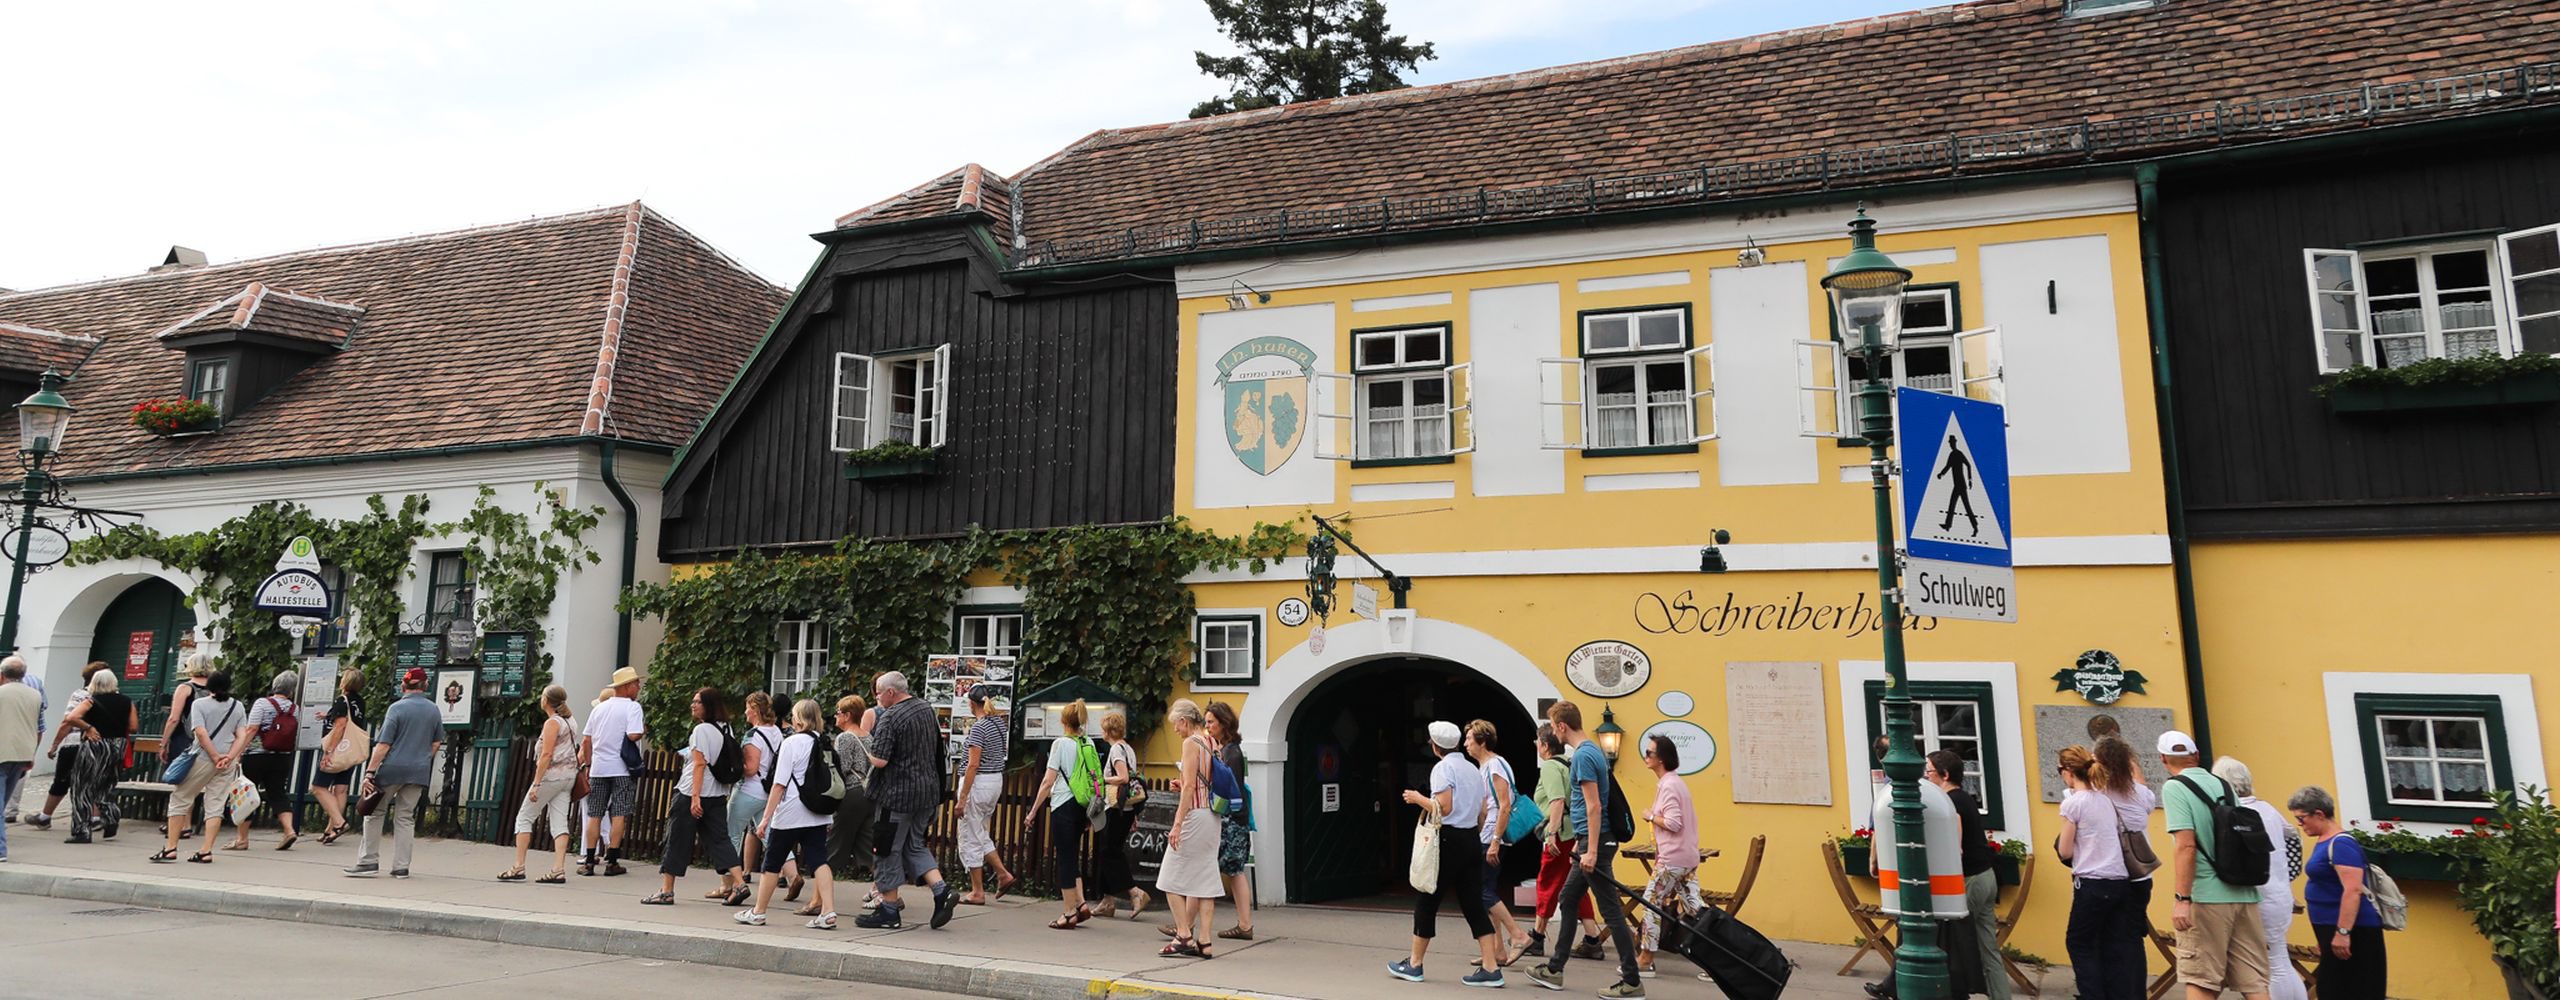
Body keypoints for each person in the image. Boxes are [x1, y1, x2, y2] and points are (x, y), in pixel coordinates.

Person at [1527, 699, 1644, 998]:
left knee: (1611, 911)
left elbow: (1593, 806)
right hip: (1590, 840)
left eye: (1555, 727)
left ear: (1562, 726)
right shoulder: (1592, 751)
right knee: (1568, 900)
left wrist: (1590, 850)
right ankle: (1554, 969)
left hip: (1595, 841)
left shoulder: (1582, 757)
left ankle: (1631, 980)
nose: (1555, 733)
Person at [1386, 719, 1504, 986]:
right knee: (1473, 903)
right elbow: (1483, 810)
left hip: (1449, 839)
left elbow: (1444, 807)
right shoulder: (1473, 769)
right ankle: (1490, 966)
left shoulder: (1442, 768)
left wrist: (1418, 799)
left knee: (1427, 899)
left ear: (1435, 746)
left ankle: (1414, 964)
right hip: (1471, 839)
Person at [2159, 730, 2270, 1000]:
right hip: (2242, 890)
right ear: (2195, 756)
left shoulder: (2174, 788)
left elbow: (2186, 845)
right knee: (2253, 981)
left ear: (2163, 759)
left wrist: (2182, 898)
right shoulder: (2225, 785)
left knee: (2201, 979)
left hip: (2207, 895)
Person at [857, 670, 958, 930]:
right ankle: (941, 890)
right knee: (914, 845)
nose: (877, 698)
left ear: (891, 692)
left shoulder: (890, 716)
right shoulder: (926, 709)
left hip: (897, 796)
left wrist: (863, 745)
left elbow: (880, 760)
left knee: (886, 850)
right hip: (927, 792)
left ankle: (889, 911)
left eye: (879, 693)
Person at [2056, 744, 2146, 1000]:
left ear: (2069, 772)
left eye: (2060, 770)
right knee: (2111, 943)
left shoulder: (2073, 804)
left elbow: (2064, 850)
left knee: (2079, 943)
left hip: (2092, 882)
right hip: (2119, 880)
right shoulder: (2105, 799)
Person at [739, 698, 838, 929]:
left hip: (791, 810)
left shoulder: (792, 742)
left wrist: (765, 818)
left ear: (798, 718)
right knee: (819, 860)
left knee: (772, 861)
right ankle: (828, 911)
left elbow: (779, 783)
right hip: (817, 810)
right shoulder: (824, 741)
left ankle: (759, 911)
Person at [646, 687, 747, 907]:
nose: (693, 705)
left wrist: (694, 798)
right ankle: (739, 883)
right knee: (720, 840)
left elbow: (700, 765)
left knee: (676, 839)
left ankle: (666, 891)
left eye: (697, 702)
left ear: (708, 705)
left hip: (692, 793)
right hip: (718, 794)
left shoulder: (700, 731)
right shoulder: (726, 728)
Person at [2216, 757, 2307, 1000]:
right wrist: (2285, 872)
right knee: (2281, 961)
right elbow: (2292, 836)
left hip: (2257, 898)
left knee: (2265, 970)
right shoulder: (2268, 809)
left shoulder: (2234, 815)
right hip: (2280, 893)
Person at [2287, 786, 2385, 1000]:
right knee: (2332, 988)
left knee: (2349, 989)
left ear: (2319, 814)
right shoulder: (2324, 841)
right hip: (2330, 928)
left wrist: (2342, 933)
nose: (2299, 824)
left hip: (2355, 930)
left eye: (2302, 818)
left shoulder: (2341, 844)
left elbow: (2353, 890)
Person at [1927, 749, 2010, 1000]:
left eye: (1929, 772)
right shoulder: (1965, 797)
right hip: (1986, 876)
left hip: (1970, 880)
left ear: (1944, 774)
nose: (1926, 777)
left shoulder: (1951, 801)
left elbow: (1956, 845)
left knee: (1951, 941)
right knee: (1988, 948)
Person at [344, 668, 441, 878]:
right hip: (419, 771)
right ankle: (401, 867)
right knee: (405, 817)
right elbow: (436, 742)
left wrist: (369, 773)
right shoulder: (433, 710)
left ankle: (368, 862)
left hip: (392, 769)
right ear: (425, 686)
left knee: (375, 812)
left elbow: (383, 745)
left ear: (403, 686)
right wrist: (423, 759)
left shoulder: (396, 709)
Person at [152, 671, 250, 865]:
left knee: (180, 798)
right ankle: (206, 850)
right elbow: (242, 735)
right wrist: (228, 757)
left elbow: (200, 732)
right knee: (215, 804)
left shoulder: (200, 704)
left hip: (204, 758)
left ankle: (171, 848)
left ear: (209, 688)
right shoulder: (237, 706)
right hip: (226, 761)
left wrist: (214, 756)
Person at [1154, 699, 1226, 959]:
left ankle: (1183, 934)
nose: (1175, 730)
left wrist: (1177, 824)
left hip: (1194, 816)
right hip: (1213, 815)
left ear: (1184, 721)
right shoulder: (1212, 742)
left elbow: (1190, 788)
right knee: (1205, 879)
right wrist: (1182, 783)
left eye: (1176, 724)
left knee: (1169, 877)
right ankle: (1205, 941)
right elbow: (1201, 781)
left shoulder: (1190, 743)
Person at [1634, 733, 1705, 981]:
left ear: (1661, 759)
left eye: (1649, 753)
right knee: (1696, 910)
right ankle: (1717, 958)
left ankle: (1646, 959)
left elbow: (1674, 823)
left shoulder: (1669, 786)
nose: (1646, 756)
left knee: (1651, 903)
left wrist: (1650, 816)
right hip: (1684, 857)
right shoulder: (1675, 784)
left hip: (1673, 859)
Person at [1025, 698, 1099, 930]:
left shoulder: (1060, 744)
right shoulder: (1089, 743)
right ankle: (1081, 904)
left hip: (1063, 804)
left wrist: (1034, 810)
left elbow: (1048, 781)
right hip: (1082, 805)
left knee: (1065, 859)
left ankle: (1068, 913)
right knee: (1072, 853)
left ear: (1063, 721)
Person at [1524, 722, 1595, 961]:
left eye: (1537, 741)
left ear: (1544, 745)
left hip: (1560, 835)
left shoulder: (1550, 767)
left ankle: (1537, 936)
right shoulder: (1569, 763)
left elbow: (1556, 801)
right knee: (1576, 887)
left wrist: (1551, 833)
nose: (1535, 745)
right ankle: (1592, 938)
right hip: (1574, 833)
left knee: (1547, 883)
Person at [1468, 719, 1534, 967]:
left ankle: (1518, 935)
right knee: (1488, 890)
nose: (1466, 743)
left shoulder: (1495, 765)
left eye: (1469, 739)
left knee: (1481, 891)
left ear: (1482, 741)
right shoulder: (1483, 766)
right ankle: (1497, 951)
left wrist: (1495, 840)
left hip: (1495, 836)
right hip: (1486, 834)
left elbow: (1504, 804)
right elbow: (1485, 806)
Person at [500, 685, 581, 884]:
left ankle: (518, 866)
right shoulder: (571, 722)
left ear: (546, 700)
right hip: (568, 777)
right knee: (560, 821)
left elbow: (546, 754)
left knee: (524, 817)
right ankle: (558, 869)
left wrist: (536, 783)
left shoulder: (552, 723)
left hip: (551, 777)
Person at [27, 661, 111, 833]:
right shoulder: (116, 698)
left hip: (74, 743)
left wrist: (55, 744)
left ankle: (45, 816)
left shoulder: (80, 695)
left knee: (62, 780)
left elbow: (68, 721)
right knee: (95, 781)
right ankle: (95, 818)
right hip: (101, 745)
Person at [579, 666, 647, 877]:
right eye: (636, 683)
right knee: (619, 813)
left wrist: (589, 764)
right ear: (626, 687)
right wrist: (643, 729)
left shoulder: (598, 708)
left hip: (599, 768)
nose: (638, 687)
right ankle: (612, 860)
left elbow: (586, 740)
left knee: (595, 813)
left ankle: (589, 860)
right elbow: (634, 734)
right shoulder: (632, 707)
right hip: (621, 768)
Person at [54, 670, 135, 843]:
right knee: (106, 784)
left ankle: (82, 830)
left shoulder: (91, 701)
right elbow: (134, 726)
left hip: (95, 745)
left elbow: (72, 717)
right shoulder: (127, 701)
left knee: (82, 787)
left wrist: (88, 727)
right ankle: (111, 817)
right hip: (117, 746)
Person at [954, 685, 1017, 905]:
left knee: (970, 835)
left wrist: (962, 798)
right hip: (994, 781)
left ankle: (977, 891)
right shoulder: (998, 724)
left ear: (972, 703)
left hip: (978, 783)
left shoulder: (979, 728)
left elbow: (973, 764)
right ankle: (1002, 874)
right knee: (979, 831)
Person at [1088, 709, 1149, 920]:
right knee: (1108, 851)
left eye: (1103, 728)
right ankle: (1107, 901)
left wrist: (1102, 780)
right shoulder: (1128, 749)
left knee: (1109, 852)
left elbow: (1123, 778)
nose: (1101, 732)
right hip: (1127, 809)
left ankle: (1135, 892)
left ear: (1109, 730)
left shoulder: (1116, 750)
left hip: (1116, 809)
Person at [730, 692, 791, 902]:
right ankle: (793, 874)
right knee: (769, 834)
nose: (745, 711)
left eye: (748, 707)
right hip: (768, 790)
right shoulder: (776, 731)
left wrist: (734, 764)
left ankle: (732, 883)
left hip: (748, 790)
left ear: (755, 710)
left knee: (733, 833)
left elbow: (751, 768)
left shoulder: (753, 735)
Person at [1207, 701, 1257, 940]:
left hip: (1231, 820)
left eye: (1210, 722)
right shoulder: (1230, 750)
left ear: (1223, 724)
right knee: (1233, 872)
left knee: (1221, 870)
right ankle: (1244, 924)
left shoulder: (1230, 752)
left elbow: (1230, 788)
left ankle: (1185, 926)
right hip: (1235, 819)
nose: (1207, 727)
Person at [234, 671, 301, 851]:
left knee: (247, 794)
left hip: (257, 755)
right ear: (291, 690)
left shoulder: (262, 703)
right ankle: (289, 830)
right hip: (282, 756)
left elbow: (251, 729)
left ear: (274, 685)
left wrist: (239, 751)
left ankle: (242, 839)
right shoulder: (295, 708)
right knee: (278, 793)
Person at [310, 669, 367, 845]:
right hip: (350, 751)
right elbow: (351, 721)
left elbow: (341, 725)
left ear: (345, 682)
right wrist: (328, 715)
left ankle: (339, 823)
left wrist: (329, 752)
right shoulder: (360, 702)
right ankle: (331, 830)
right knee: (340, 789)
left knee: (318, 787)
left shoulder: (342, 700)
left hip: (338, 749)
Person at [158, 654, 211, 839]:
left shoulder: (185, 688)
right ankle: (182, 822)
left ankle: (183, 825)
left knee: (183, 782)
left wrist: (163, 743)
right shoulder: (215, 690)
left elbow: (174, 718)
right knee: (196, 782)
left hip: (185, 740)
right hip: (209, 742)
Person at [828, 695, 876, 888]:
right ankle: (887, 892)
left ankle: (818, 898)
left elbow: (843, 768)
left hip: (851, 794)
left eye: (838, 712)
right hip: (867, 793)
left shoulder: (845, 737)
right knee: (866, 844)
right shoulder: (868, 736)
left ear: (847, 715)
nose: (835, 716)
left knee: (835, 844)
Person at [0, 659, 40, 862]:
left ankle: (0, 849)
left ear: (2, 674)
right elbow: (35, 725)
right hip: (23, 752)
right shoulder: (35, 695)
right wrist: (32, 754)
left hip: (2, 750)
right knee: (4, 800)